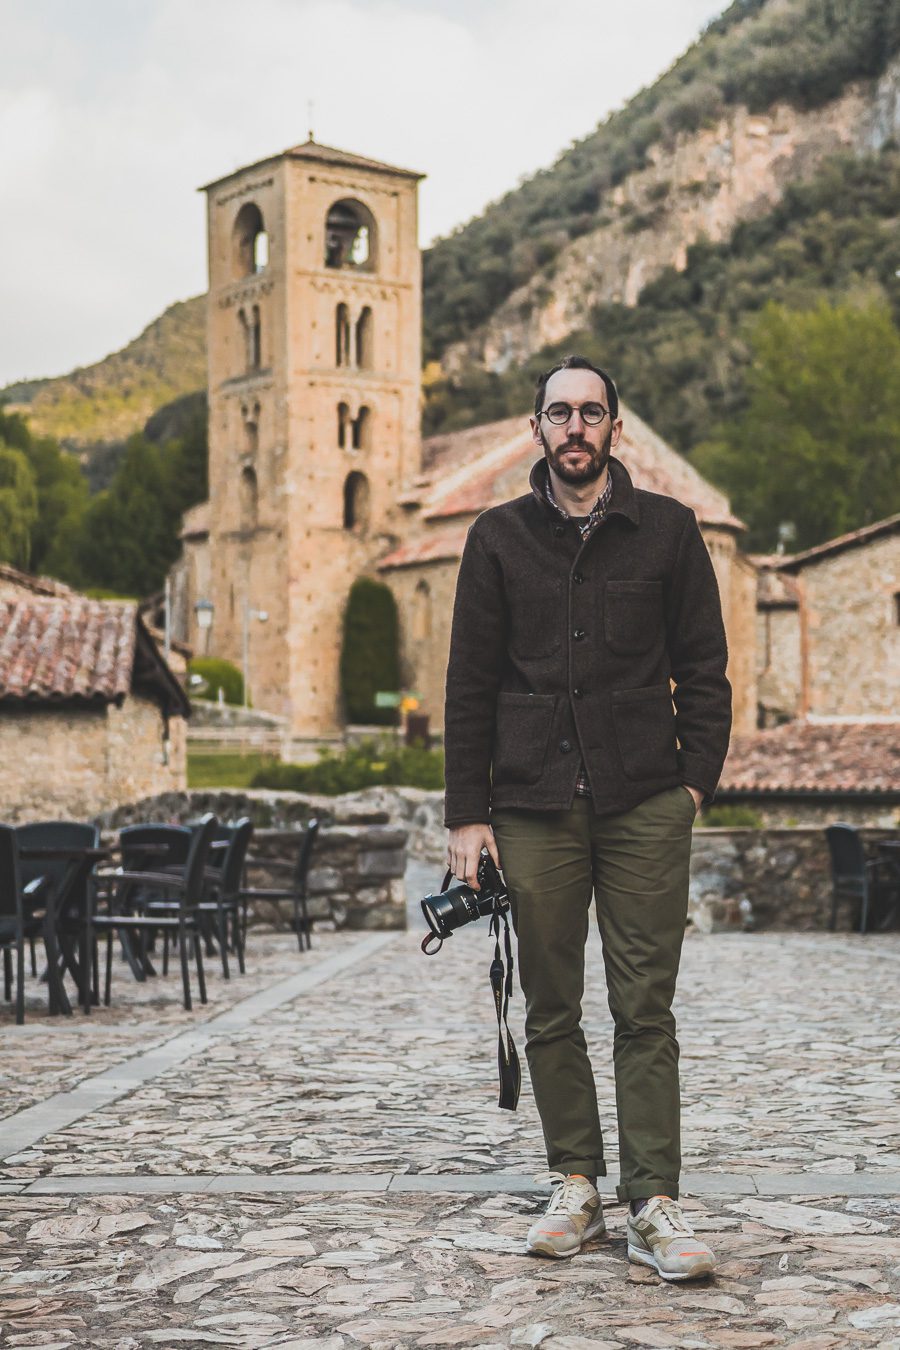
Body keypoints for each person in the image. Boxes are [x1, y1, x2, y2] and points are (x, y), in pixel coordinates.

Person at [443, 355, 731, 1281]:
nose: (575, 427)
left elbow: (708, 670)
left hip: (647, 799)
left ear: (616, 427)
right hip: (530, 805)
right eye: (559, 413)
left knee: (646, 1005)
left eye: (591, 413)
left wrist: (692, 788)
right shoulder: (495, 539)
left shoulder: (670, 532)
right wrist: (466, 816)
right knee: (552, 1005)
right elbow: (468, 688)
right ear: (537, 428)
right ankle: (576, 1181)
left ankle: (654, 1199)